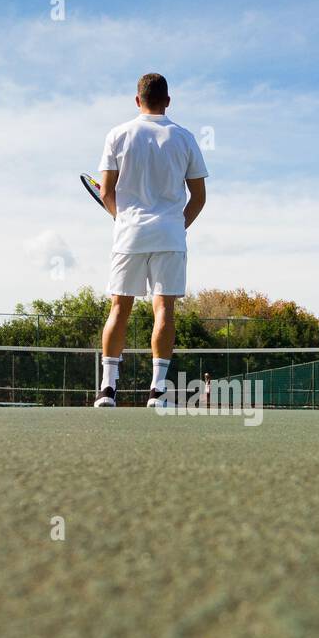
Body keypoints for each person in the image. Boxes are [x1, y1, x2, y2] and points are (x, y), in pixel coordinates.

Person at [93, 73, 208, 408]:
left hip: (129, 235)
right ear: (168, 101)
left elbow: (106, 193)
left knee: (119, 307)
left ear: (137, 99)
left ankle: (107, 390)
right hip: (169, 236)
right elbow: (199, 197)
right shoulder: (184, 137)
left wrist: (122, 219)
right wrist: (177, 228)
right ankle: (157, 391)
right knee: (164, 309)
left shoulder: (117, 135)